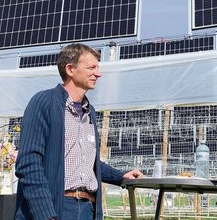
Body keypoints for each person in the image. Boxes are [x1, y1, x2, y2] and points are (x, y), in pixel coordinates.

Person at [14, 43, 144, 220]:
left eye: (97, 68)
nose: (98, 73)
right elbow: (29, 163)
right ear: (70, 69)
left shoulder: (89, 111)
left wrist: (120, 176)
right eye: (91, 67)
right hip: (56, 207)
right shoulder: (44, 102)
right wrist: (46, 215)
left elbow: (87, 163)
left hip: (87, 208)